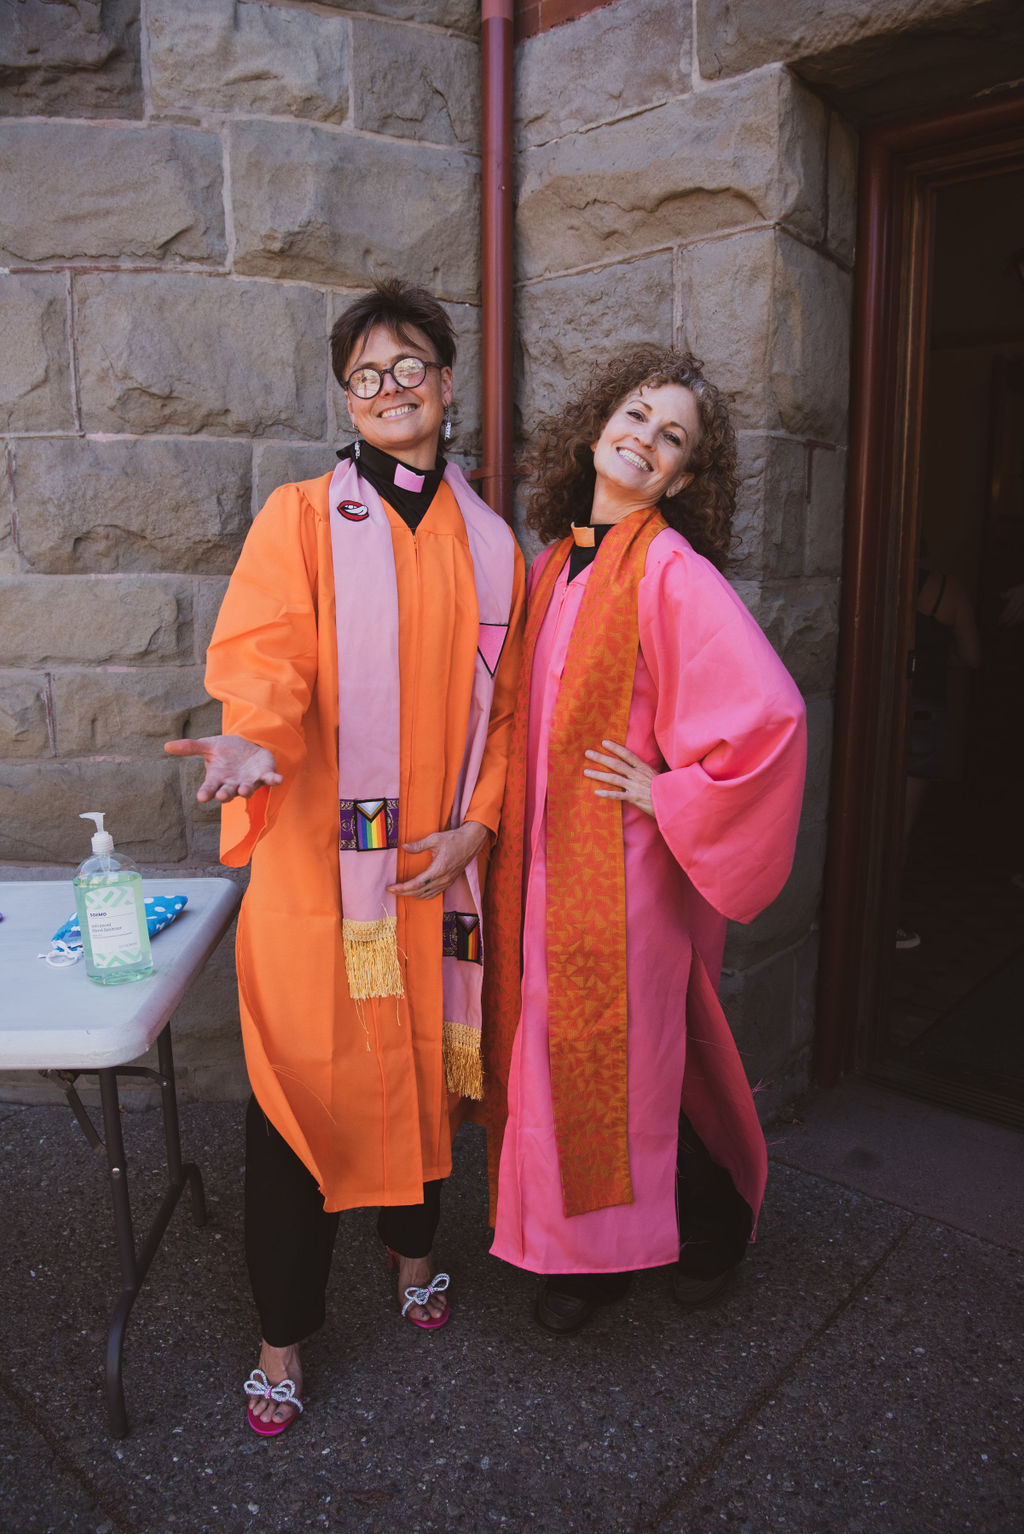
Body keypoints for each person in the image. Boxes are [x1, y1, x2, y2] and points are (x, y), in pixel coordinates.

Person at [165, 278, 524, 1432]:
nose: (388, 388)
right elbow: (265, 655)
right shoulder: (304, 519)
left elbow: (512, 715)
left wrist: (480, 824)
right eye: (365, 374)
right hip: (323, 882)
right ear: (348, 397)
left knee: (424, 1070)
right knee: (298, 1100)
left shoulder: (493, 545)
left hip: (433, 872)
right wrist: (253, 743)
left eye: (408, 365)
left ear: (446, 383)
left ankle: (414, 1254)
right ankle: (282, 1335)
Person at [481, 346, 806, 1334]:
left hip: (617, 879)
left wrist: (666, 793)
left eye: (672, 437)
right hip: (540, 870)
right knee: (567, 1062)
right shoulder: (555, 564)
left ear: (683, 477)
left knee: (616, 1068)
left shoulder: (670, 571)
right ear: (596, 427)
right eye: (635, 415)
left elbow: (767, 721)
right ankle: (596, 1249)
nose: (644, 439)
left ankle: (678, 1236)